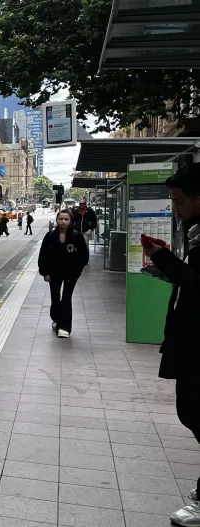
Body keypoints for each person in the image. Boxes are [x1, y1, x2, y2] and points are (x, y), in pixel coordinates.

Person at [139, 166, 200, 527]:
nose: (174, 208)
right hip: (190, 339)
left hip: (198, 343)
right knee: (191, 413)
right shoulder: (195, 235)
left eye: (178, 201)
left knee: (196, 413)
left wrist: (162, 259)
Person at [38, 209, 89, 338]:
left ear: (70, 221)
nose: (63, 222)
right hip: (54, 273)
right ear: (57, 220)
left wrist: (77, 271)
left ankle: (64, 327)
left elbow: (84, 256)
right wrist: (45, 272)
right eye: (61, 219)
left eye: (66, 219)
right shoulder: (49, 236)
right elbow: (43, 255)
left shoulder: (77, 236)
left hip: (71, 274)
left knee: (66, 298)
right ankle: (56, 318)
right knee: (55, 297)